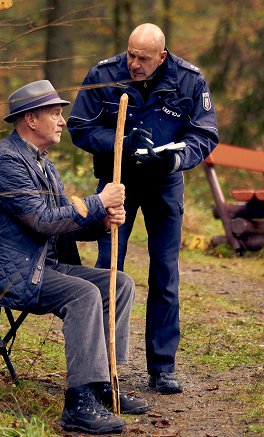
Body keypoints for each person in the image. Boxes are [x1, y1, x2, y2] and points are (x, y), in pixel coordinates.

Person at [0, 80, 149, 435]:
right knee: (83, 294)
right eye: (54, 113)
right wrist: (100, 200)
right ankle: (79, 404)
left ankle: (103, 384)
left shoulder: (43, 163)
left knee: (121, 284)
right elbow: (41, 220)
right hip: (9, 273)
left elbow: (63, 221)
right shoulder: (5, 161)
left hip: (40, 266)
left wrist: (101, 220)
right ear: (31, 119)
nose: (62, 120)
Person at [68, 23, 219, 394]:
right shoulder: (103, 75)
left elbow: (205, 134)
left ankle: (162, 367)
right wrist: (119, 140)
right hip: (116, 180)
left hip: (164, 183)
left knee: (165, 272)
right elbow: (79, 126)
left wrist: (175, 159)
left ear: (162, 57)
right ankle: (102, 366)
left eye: (144, 58)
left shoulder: (189, 80)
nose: (135, 64)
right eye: (131, 55)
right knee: (109, 268)